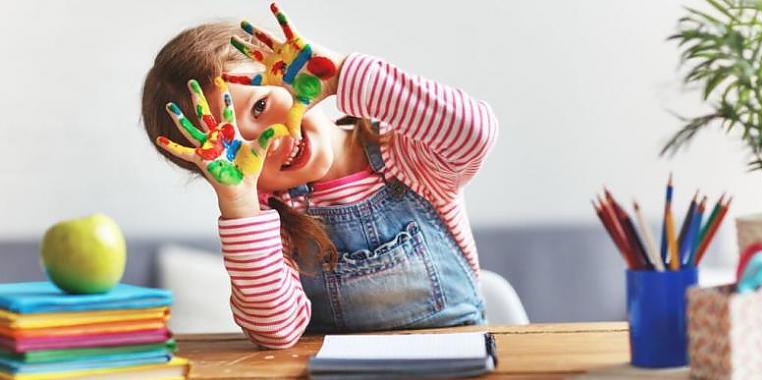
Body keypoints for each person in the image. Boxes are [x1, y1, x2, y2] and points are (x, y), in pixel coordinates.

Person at [141, 3, 499, 349]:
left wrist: (340, 74)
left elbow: (473, 132)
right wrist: (240, 204)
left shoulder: (407, 156)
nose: (269, 140)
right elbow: (276, 332)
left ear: (291, 75)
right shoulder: (269, 218)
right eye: (233, 148)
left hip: (460, 363)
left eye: (260, 106)